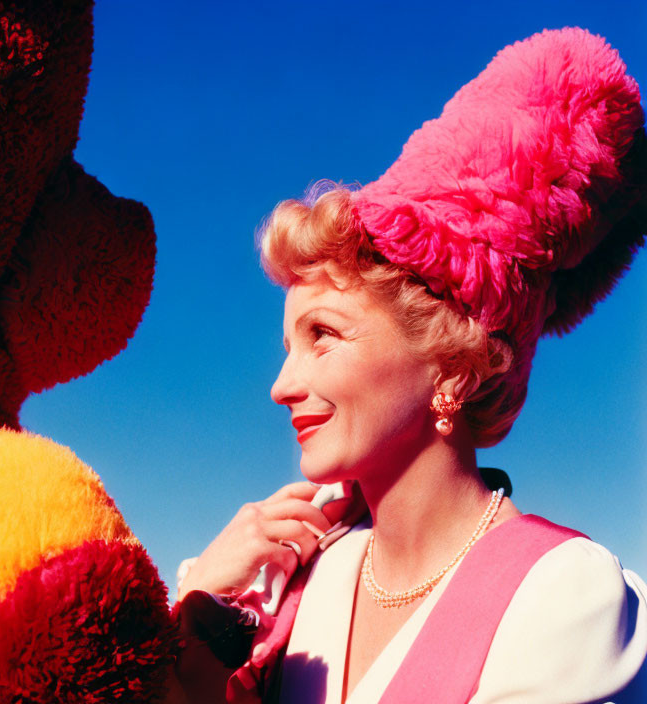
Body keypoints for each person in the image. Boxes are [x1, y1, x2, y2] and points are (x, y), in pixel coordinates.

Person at [169, 28, 647, 703]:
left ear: (453, 365)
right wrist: (195, 608)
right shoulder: (297, 596)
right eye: (287, 349)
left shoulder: (566, 599)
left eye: (323, 335)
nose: (282, 387)